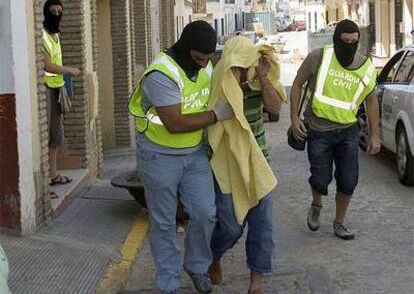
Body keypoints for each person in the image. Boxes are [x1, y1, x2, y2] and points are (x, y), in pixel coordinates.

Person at [128, 21, 234, 294]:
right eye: (198, 59)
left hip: (195, 154)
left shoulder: (206, 64)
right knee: (164, 222)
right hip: (159, 156)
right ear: (185, 48)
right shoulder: (161, 74)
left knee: (204, 213)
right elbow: (174, 123)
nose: (202, 65)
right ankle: (169, 283)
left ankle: (197, 266)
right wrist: (215, 116)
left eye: (207, 59)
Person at [207, 36, 285, 294]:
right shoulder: (218, 84)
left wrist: (263, 78)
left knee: (263, 228)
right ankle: (215, 257)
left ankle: (256, 282)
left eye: (245, 64)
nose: (241, 71)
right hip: (227, 166)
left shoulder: (256, 82)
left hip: (258, 162)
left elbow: (274, 108)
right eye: (237, 65)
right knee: (230, 226)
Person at [290, 19, 380, 240]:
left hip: (348, 131)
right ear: (335, 39)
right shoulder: (318, 57)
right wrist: (294, 118)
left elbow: (371, 101)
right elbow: (297, 84)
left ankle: (339, 223)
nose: (349, 45)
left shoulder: (365, 66)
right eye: (345, 41)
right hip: (318, 130)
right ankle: (317, 203)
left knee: (348, 180)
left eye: (354, 42)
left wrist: (375, 134)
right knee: (320, 179)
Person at [43, 0, 80, 191]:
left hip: (57, 89)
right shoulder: (42, 35)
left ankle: (54, 174)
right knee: (47, 135)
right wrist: (69, 70)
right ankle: (46, 180)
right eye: (53, 11)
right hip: (46, 91)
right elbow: (47, 65)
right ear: (45, 12)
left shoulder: (56, 36)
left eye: (59, 11)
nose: (56, 15)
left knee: (56, 137)